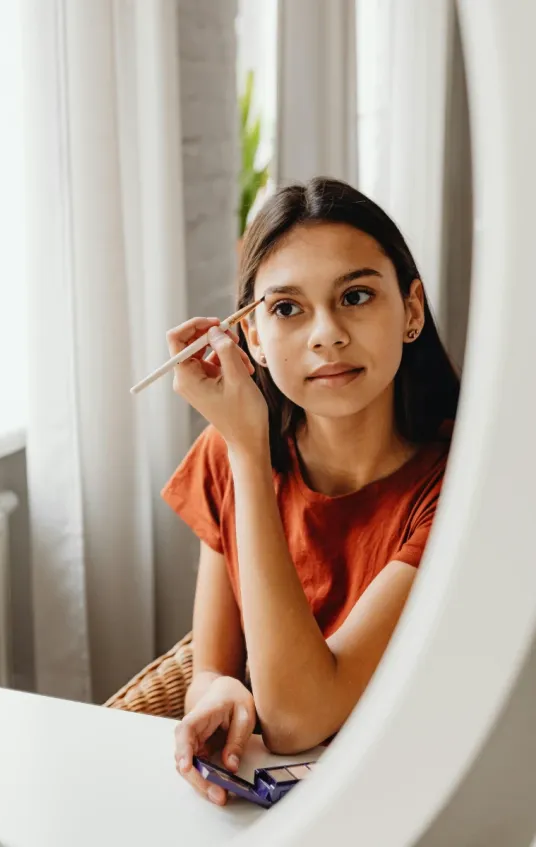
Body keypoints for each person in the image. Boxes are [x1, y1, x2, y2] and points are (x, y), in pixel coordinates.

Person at [162, 178, 460, 805]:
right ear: (252, 341)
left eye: (355, 296)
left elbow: (299, 719)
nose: (325, 334)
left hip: (413, 798)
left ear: (411, 311)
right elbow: (212, 665)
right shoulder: (225, 453)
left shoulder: (456, 488)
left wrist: (247, 447)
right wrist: (218, 691)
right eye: (287, 309)